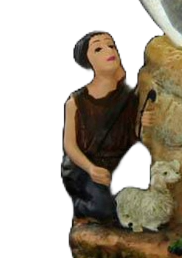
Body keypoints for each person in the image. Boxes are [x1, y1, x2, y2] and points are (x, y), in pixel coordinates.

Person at [61, 31, 152, 222]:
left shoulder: (130, 95)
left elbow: (133, 135)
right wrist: (91, 169)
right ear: (87, 60)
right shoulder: (76, 102)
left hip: (118, 164)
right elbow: (69, 145)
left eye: (111, 45)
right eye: (98, 48)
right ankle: (81, 206)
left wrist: (143, 124)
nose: (109, 51)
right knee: (105, 211)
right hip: (87, 168)